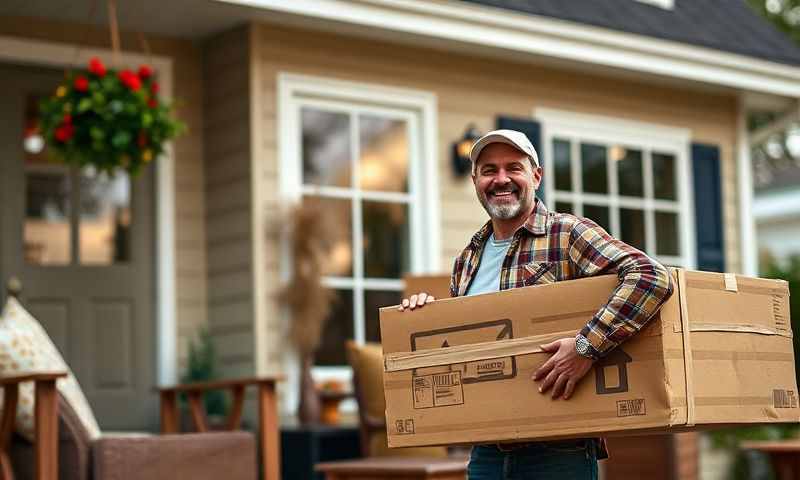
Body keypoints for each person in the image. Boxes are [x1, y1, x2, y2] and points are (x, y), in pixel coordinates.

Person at [398, 129, 674, 479]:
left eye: (513, 168)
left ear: (536, 177)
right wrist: (425, 315)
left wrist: (585, 347)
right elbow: (464, 349)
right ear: (475, 181)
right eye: (489, 170)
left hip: (559, 450)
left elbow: (651, 277)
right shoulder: (467, 259)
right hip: (486, 453)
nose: (501, 180)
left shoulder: (567, 233)